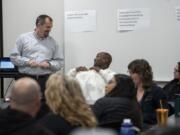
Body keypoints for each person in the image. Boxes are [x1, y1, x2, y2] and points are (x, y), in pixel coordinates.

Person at [10, 14, 64, 95]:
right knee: (24, 105)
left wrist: (49, 64)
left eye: (51, 27)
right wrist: (27, 61)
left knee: (45, 106)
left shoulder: (53, 42)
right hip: (25, 80)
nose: (49, 30)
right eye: (47, 27)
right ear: (39, 25)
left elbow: (60, 62)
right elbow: (13, 57)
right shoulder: (23, 38)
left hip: (46, 81)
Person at [127, 59, 174, 126]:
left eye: (131, 73)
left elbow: (164, 115)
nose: (130, 76)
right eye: (129, 73)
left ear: (141, 74)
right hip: (132, 126)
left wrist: (139, 117)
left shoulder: (157, 92)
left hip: (150, 129)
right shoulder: (130, 91)